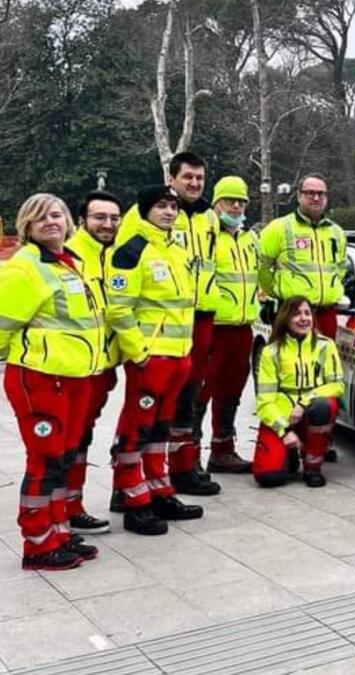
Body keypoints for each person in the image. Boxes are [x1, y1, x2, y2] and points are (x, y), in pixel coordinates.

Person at [0, 194, 104, 569]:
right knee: (44, 460)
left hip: (75, 377)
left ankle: (58, 529)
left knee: (62, 458)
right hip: (40, 379)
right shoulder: (23, 267)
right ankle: (37, 542)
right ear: (27, 225)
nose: (50, 221)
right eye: (40, 217)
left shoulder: (71, 262)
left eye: (56, 214)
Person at [117, 152, 221, 499]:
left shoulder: (209, 217)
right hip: (155, 336)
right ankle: (127, 484)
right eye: (187, 177)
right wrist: (139, 349)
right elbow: (125, 274)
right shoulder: (139, 216)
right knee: (143, 408)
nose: (194, 183)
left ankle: (181, 468)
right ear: (172, 177)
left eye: (199, 178)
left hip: (196, 320)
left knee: (187, 400)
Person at [107, 186, 205, 535]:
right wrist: (140, 353)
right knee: (139, 427)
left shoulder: (176, 249)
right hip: (150, 360)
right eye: (161, 206)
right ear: (145, 210)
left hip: (178, 358)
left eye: (173, 207)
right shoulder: (132, 250)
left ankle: (158, 489)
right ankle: (133, 499)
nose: (168, 212)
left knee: (161, 427)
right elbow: (119, 309)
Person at [257, 174, 347, 462]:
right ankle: (285, 431)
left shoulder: (336, 232)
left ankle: (319, 441)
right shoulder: (279, 228)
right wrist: (276, 295)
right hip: (292, 310)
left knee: (322, 375)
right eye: (310, 193)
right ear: (298, 195)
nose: (316, 198)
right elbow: (262, 265)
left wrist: (333, 291)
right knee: (287, 372)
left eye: (321, 193)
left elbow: (340, 268)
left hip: (326, 311)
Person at [64, 191, 124, 536]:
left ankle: (73, 504)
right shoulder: (68, 257)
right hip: (72, 368)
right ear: (82, 220)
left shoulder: (115, 256)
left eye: (114, 217)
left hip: (103, 367)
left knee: (82, 436)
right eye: (100, 217)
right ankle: (65, 508)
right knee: (69, 439)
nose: (108, 224)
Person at [191, 176, 258, 474]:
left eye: (241, 201)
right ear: (216, 204)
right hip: (213, 326)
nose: (236, 205)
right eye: (229, 200)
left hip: (243, 327)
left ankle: (223, 450)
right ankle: (188, 455)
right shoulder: (206, 236)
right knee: (200, 392)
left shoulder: (249, 239)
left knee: (232, 391)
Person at [253, 297, 344, 488]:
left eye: (307, 313)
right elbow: (264, 402)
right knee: (268, 477)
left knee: (325, 405)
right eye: (296, 314)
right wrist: (284, 431)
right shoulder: (271, 351)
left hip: (310, 411)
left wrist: (303, 403)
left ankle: (313, 466)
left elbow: (337, 385)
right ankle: (290, 454)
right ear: (285, 318)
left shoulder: (326, 346)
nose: (303, 319)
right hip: (282, 415)